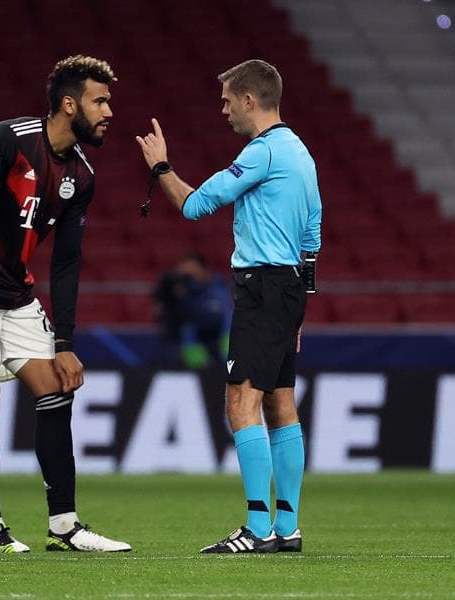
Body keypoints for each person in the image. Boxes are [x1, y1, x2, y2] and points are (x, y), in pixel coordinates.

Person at [0, 55, 131, 553]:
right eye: (100, 101)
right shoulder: (9, 140)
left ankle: (65, 527)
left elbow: (66, 264)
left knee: (57, 387)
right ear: (68, 103)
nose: (108, 112)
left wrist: (65, 343)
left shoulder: (81, 176)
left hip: (16, 293)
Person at [136, 59, 322, 553]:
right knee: (282, 405)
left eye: (226, 101)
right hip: (285, 291)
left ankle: (257, 528)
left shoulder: (261, 153)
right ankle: (287, 527)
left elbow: (197, 205)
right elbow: (313, 234)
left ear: (249, 100)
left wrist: (160, 167)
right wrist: (299, 305)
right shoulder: (301, 153)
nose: (222, 110)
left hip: (261, 289)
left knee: (241, 402)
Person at [153, 252, 232, 368]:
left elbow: (217, 312)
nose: (186, 271)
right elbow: (161, 311)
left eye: (190, 267)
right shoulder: (179, 287)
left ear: (202, 268)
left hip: (219, 334)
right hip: (191, 337)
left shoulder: (218, 285)